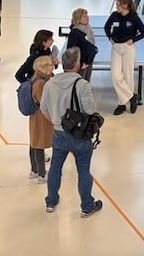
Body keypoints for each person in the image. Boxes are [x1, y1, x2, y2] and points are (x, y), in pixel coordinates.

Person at [41, 47, 103, 217]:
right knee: (83, 170)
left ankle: (51, 202)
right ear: (77, 65)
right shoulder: (81, 84)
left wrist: (56, 122)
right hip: (79, 136)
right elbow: (90, 110)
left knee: (55, 169)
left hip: (59, 135)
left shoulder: (50, 83)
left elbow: (43, 108)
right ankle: (86, 206)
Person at [104, 0, 144, 115]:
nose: (116, 7)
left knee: (128, 75)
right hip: (116, 48)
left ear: (125, 5)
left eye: (118, 5)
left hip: (128, 48)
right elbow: (106, 27)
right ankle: (131, 96)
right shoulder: (114, 15)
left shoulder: (133, 17)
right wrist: (110, 38)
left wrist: (133, 39)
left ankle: (122, 104)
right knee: (115, 76)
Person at [28, 56, 55, 183]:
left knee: (34, 141)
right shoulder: (40, 84)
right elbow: (43, 101)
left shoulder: (36, 78)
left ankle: (34, 170)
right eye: (49, 65)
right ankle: (42, 174)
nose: (52, 66)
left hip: (37, 116)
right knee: (38, 144)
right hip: (41, 117)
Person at [67, 8, 98, 81]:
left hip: (89, 61)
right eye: (84, 17)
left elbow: (88, 44)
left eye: (87, 16)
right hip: (81, 64)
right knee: (80, 83)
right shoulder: (75, 32)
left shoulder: (88, 28)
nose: (87, 18)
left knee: (86, 83)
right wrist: (80, 64)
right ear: (78, 19)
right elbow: (71, 50)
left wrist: (94, 49)